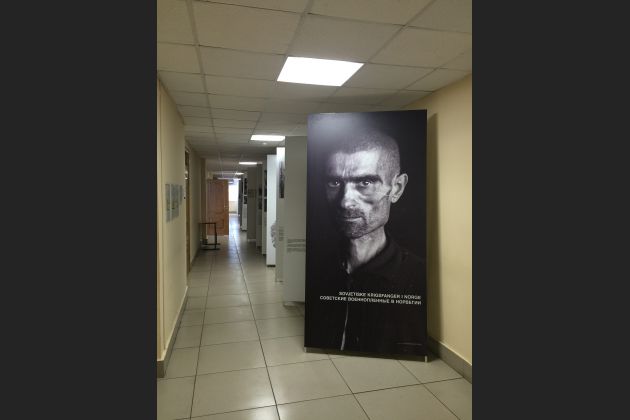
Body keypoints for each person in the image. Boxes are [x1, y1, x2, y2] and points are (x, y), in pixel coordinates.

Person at [306, 128, 426, 356]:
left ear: (397, 188)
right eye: (334, 182)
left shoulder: (419, 278)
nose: (345, 202)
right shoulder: (315, 268)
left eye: (365, 182)